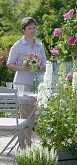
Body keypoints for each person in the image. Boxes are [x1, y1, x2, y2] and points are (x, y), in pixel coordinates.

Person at [7, 17, 47, 148]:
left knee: (32, 115)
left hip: (36, 85)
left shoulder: (39, 45)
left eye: (34, 28)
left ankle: (25, 144)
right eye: (29, 28)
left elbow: (44, 63)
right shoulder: (18, 45)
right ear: (24, 30)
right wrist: (22, 68)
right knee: (25, 116)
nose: (32, 30)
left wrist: (41, 68)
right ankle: (26, 144)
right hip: (22, 84)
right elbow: (9, 64)